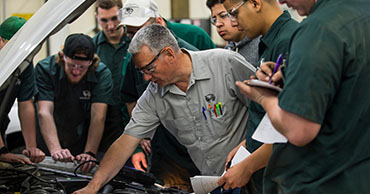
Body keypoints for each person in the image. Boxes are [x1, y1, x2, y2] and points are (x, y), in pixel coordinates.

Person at [73, 24, 255, 194]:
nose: (146, 78)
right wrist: (93, 186)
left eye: (149, 69)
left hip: (257, 173)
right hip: (217, 183)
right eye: (141, 71)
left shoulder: (225, 65)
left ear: (169, 54)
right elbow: (125, 142)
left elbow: (270, 110)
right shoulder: (154, 96)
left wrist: (246, 145)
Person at [236, 0, 370, 193]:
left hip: (325, 179)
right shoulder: (360, 14)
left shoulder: (319, 29)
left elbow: (299, 130)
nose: (281, 1)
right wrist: (292, 75)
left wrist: (264, 98)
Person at [217, 0, 299, 193]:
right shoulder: (270, 40)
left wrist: (248, 166)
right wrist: (249, 143)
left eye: (234, 13)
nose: (232, 22)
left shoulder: (287, 41)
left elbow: (289, 126)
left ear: (255, 3)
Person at [118, 0, 200, 190]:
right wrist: (143, 136)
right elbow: (129, 97)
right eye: (130, 34)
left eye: (140, 31)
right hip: (164, 156)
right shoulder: (135, 60)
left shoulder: (194, 44)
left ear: (159, 23)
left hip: (197, 154)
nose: (135, 39)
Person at [35, 33, 113, 173]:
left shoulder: (101, 73)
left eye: (82, 67)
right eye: (72, 65)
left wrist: (90, 153)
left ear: (92, 63)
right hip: (47, 136)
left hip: (79, 136)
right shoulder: (45, 69)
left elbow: (98, 116)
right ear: (62, 57)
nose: (76, 71)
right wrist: (56, 149)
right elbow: (44, 111)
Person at [0, 16, 45, 164]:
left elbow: (26, 104)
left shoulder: (23, 63)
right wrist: (1, 152)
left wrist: (31, 148)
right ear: (1, 40)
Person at [93, 0, 131, 153]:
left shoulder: (137, 42)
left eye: (114, 19)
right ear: (97, 17)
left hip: (135, 121)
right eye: (104, 20)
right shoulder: (92, 49)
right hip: (104, 126)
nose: (110, 26)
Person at [206, 0, 260, 67]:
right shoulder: (227, 50)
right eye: (214, 19)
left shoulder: (260, 45)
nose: (218, 24)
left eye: (223, 16)